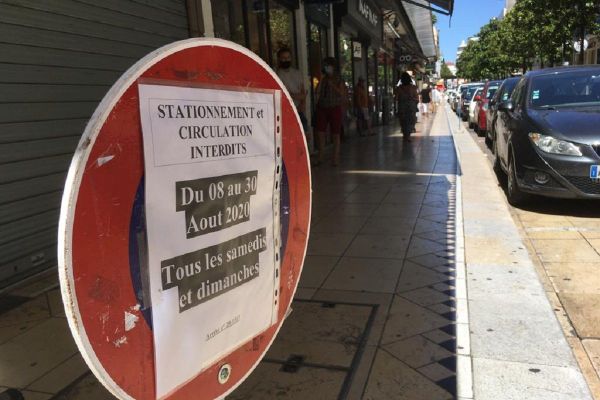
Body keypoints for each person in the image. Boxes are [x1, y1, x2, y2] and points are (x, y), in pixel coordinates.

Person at [276, 48, 311, 148]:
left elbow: (303, 92)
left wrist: (302, 103)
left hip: (299, 110)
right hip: (285, 112)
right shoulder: (277, 74)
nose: (286, 60)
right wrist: (298, 96)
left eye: (288, 57)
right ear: (279, 59)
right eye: (283, 58)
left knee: (305, 137)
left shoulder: (297, 73)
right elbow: (284, 94)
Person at [315, 57, 346, 165]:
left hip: (335, 107)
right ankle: (320, 156)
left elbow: (342, 93)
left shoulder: (339, 80)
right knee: (320, 132)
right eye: (325, 66)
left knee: (335, 133)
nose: (327, 68)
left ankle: (335, 158)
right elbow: (317, 91)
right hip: (322, 107)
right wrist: (321, 80)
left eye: (329, 66)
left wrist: (332, 85)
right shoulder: (323, 79)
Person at [396, 72, 419, 142]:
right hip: (411, 106)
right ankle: (407, 136)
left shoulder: (398, 88)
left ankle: (405, 135)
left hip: (402, 106)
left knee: (403, 121)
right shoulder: (413, 88)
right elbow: (416, 98)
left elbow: (396, 98)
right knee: (410, 121)